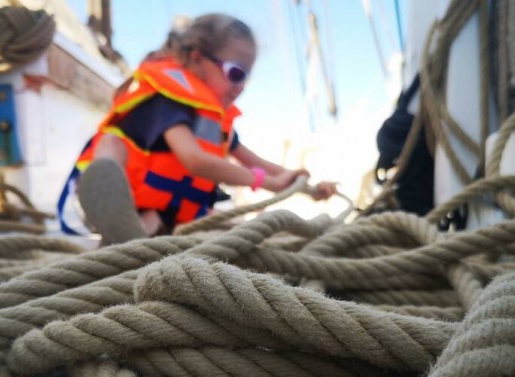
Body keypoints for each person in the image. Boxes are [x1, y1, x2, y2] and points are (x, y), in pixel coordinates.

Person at [66, 13, 337, 244]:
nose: (240, 86)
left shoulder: (216, 122)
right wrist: (264, 183)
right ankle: (113, 215)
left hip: (163, 216)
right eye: (236, 73)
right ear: (197, 58)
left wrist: (310, 189)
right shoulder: (169, 102)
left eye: (246, 78)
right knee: (111, 143)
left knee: (251, 233)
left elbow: (264, 166)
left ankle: (132, 238)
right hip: (119, 204)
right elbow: (194, 160)